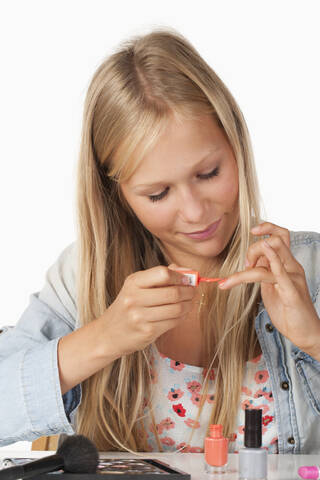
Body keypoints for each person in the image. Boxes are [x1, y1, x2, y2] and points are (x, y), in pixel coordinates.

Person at [1, 28, 320, 455]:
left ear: (237, 145)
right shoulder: (82, 278)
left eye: (209, 173)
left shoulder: (307, 269)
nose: (194, 211)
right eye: (158, 194)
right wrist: (103, 337)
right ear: (118, 195)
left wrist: (313, 338)